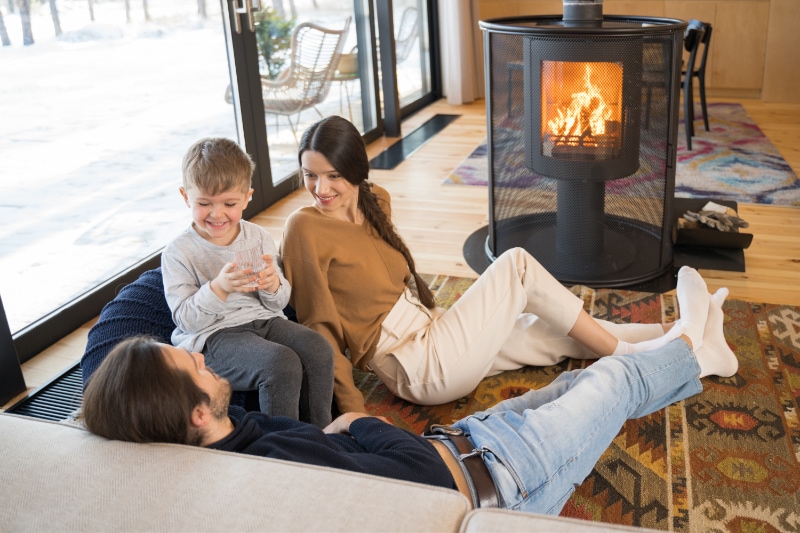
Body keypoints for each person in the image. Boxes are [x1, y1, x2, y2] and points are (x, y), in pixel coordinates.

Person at [81, 302, 738, 515]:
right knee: (616, 380)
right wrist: (363, 421)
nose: (202, 358)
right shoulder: (278, 468)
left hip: (473, 441)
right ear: (198, 414)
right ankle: (695, 341)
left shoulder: (231, 438)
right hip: (506, 477)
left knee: (584, 381)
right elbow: (421, 479)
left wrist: (348, 428)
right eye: (192, 365)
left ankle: (702, 354)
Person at [279, 115, 728, 414]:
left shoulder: (377, 202)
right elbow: (319, 328)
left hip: (436, 329)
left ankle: (692, 341)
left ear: (356, 169)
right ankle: (645, 348)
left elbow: (392, 280)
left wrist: (441, 320)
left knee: (555, 332)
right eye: (310, 175)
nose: (321, 188)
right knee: (514, 266)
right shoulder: (305, 229)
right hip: (416, 366)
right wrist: (354, 414)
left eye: (333, 175)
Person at [161, 137, 334, 427]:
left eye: (229, 204)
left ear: (247, 197)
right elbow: (186, 319)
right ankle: (283, 446)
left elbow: (280, 303)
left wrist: (272, 286)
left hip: (265, 321)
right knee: (280, 364)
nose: (217, 214)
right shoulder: (178, 253)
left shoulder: (257, 237)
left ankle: (322, 433)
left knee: (318, 348)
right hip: (214, 337)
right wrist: (219, 289)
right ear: (185, 197)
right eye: (204, 203)